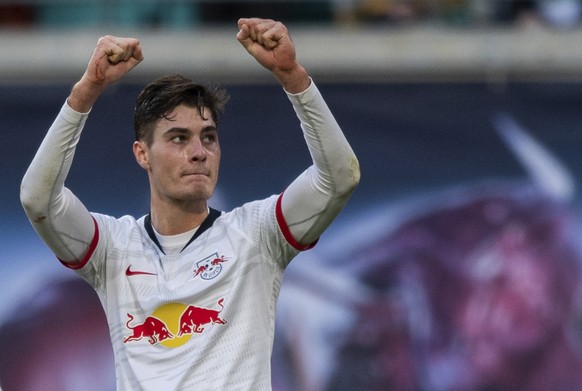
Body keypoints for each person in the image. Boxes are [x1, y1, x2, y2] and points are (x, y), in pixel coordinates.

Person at [20, 17, 360, 390]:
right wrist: (86, 91)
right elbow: (38, 199)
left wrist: (293, 76)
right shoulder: (111, 248)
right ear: (142, 154)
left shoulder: (257, 235)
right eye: (179, 139)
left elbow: (339, 178)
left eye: (209, 137)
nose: (199, 152)